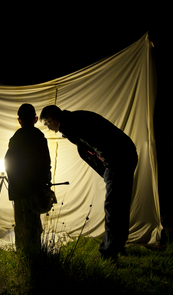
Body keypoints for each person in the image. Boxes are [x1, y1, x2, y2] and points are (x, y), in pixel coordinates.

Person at [39, 105, 138, 261]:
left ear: (51, 119)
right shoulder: (72, 122)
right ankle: (118, 245)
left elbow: (100, 143)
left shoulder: (74, 124)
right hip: (125, 154)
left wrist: (110, 168)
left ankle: (108, 254)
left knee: (113, 207)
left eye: (46, 124)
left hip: (119, 159)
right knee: (120, 204)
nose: (48, 128)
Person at [4, 104, 52, 254]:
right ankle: (35, 254)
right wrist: (45, 184)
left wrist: (14, 182)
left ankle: (22, 255)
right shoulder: (39, 137)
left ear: (19, 120)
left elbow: (8, 162)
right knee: (33, 224)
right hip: (35, 189)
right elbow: (46, 163)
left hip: (19, 190)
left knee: (21, 223)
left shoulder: (16, 138)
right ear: (36, 119)